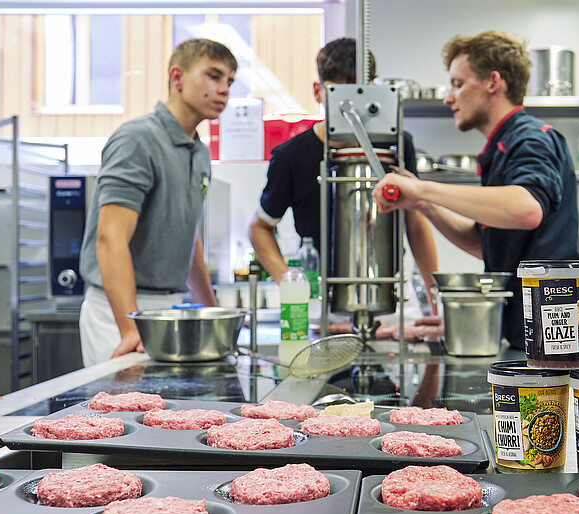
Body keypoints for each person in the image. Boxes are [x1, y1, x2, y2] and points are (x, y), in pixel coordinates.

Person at [373, 31, 579, 363]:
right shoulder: (502, 149)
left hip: (568, 339)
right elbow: (483, 244)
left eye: (458, 83)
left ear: (493, 82)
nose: (449, 97)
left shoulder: (530, 138)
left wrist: (425, 187)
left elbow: (527, 210)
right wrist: (423, 205)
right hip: (536, 335)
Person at [248, 37, 439, 315]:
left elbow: (416, 223)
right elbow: (259, 227)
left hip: (389, 300)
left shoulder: (397, 146)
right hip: (322, 305)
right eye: (339, 92)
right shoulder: (291, 156)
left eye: (361, 91)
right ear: (318, 91)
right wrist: (290, 283)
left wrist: (434, 304)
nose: (351, 105)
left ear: (373, 90)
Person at [78, 38, 236, 366]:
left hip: (171, 309)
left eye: (229, 81)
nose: (224, 89)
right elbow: (110, 238)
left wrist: (216, 318)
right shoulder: (138, 140)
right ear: (177, 78)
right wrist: (128, 329)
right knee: (124, 414)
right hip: (120, 311)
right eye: (213, 76)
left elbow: (186, 239)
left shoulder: (199, 152)